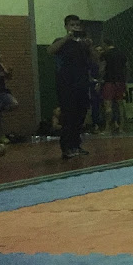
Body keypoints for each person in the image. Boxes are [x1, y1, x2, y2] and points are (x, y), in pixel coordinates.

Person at [48, 15, 94, 159]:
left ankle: (76, 145)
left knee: (80, 115)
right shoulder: (61, 41)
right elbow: (50, 50)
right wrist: (66, 38)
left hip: (82, 84)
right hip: (66, 85)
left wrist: (90, 46)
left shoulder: (82, 44)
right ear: (66, 27)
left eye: (77, 25)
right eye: (72, 25)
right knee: (69, 116)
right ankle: (66, 147)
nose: (75, 27)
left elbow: (95, 59)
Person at [101, 39, 128, 133]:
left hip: (109, 81)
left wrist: (100, 80)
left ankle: (107, 128)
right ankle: (121, 127)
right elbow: (126, 67)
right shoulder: (121, 54)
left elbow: (102, 68)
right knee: (120, 104)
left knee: (108, 105)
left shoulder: (105, 54)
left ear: (105, 44)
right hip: (120, 81)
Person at [0, 47, 19, 145]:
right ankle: (1, 136)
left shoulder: (1, 65)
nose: (1, 56)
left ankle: (0, 110)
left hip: (3, 92)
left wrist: (10, 71)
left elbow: (8, 77)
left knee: (14, 104)